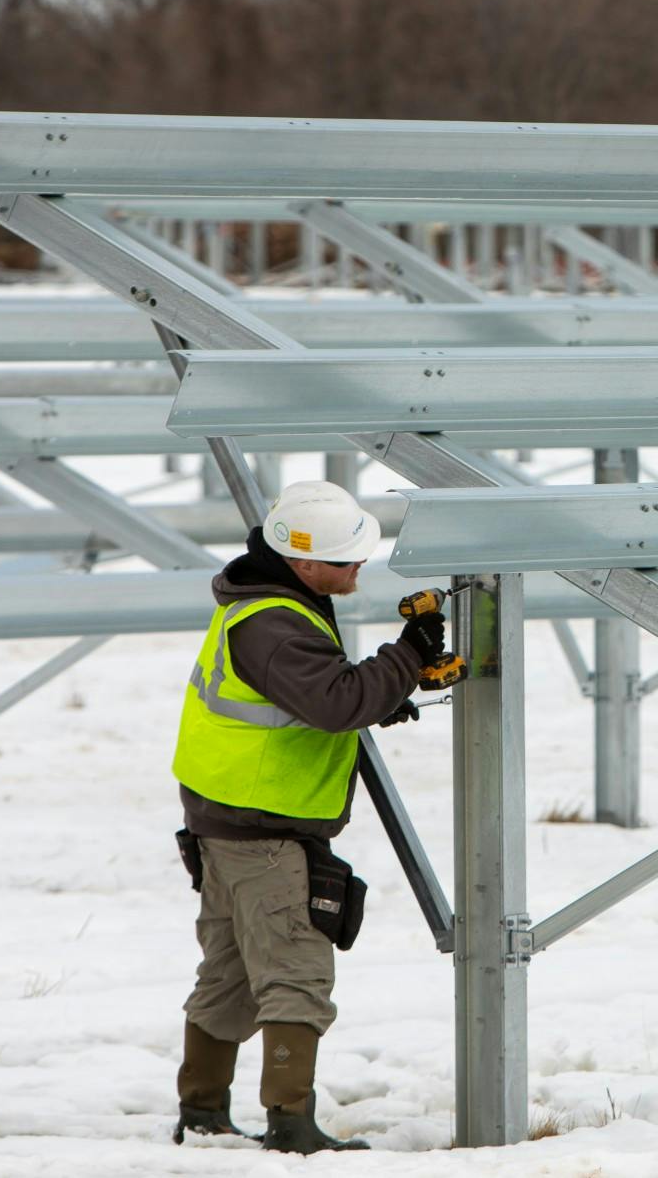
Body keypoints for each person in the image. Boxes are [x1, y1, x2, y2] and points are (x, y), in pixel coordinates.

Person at [169, 479, 438, 1154]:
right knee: (295, 971)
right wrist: (405, 656)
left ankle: (202, 1112)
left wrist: (382, 693)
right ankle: (291, 1124)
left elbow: (310, 699)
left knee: (228, 975)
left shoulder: (267, 605)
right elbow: (333, 700)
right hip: (262, 831)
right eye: (347, 559)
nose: (357, 568)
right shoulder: (274, 624)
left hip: (225, 822)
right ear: (302, 559)